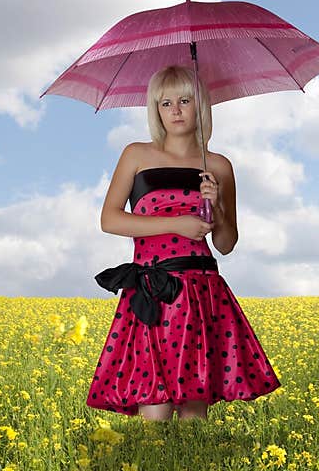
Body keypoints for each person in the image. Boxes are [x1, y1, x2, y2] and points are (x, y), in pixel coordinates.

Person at [87, 64, 280, 421]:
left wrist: (218, 205)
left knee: (195, 410)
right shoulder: (136, 155)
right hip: (155, 289)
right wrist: (179, 223)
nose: (175, 110)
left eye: (185, 100)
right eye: (165, 103)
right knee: (154, 405)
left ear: (201, 105)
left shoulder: (218, 165)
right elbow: (110, 219)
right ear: (155, 110)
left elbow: (226, 243)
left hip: (202, 292)